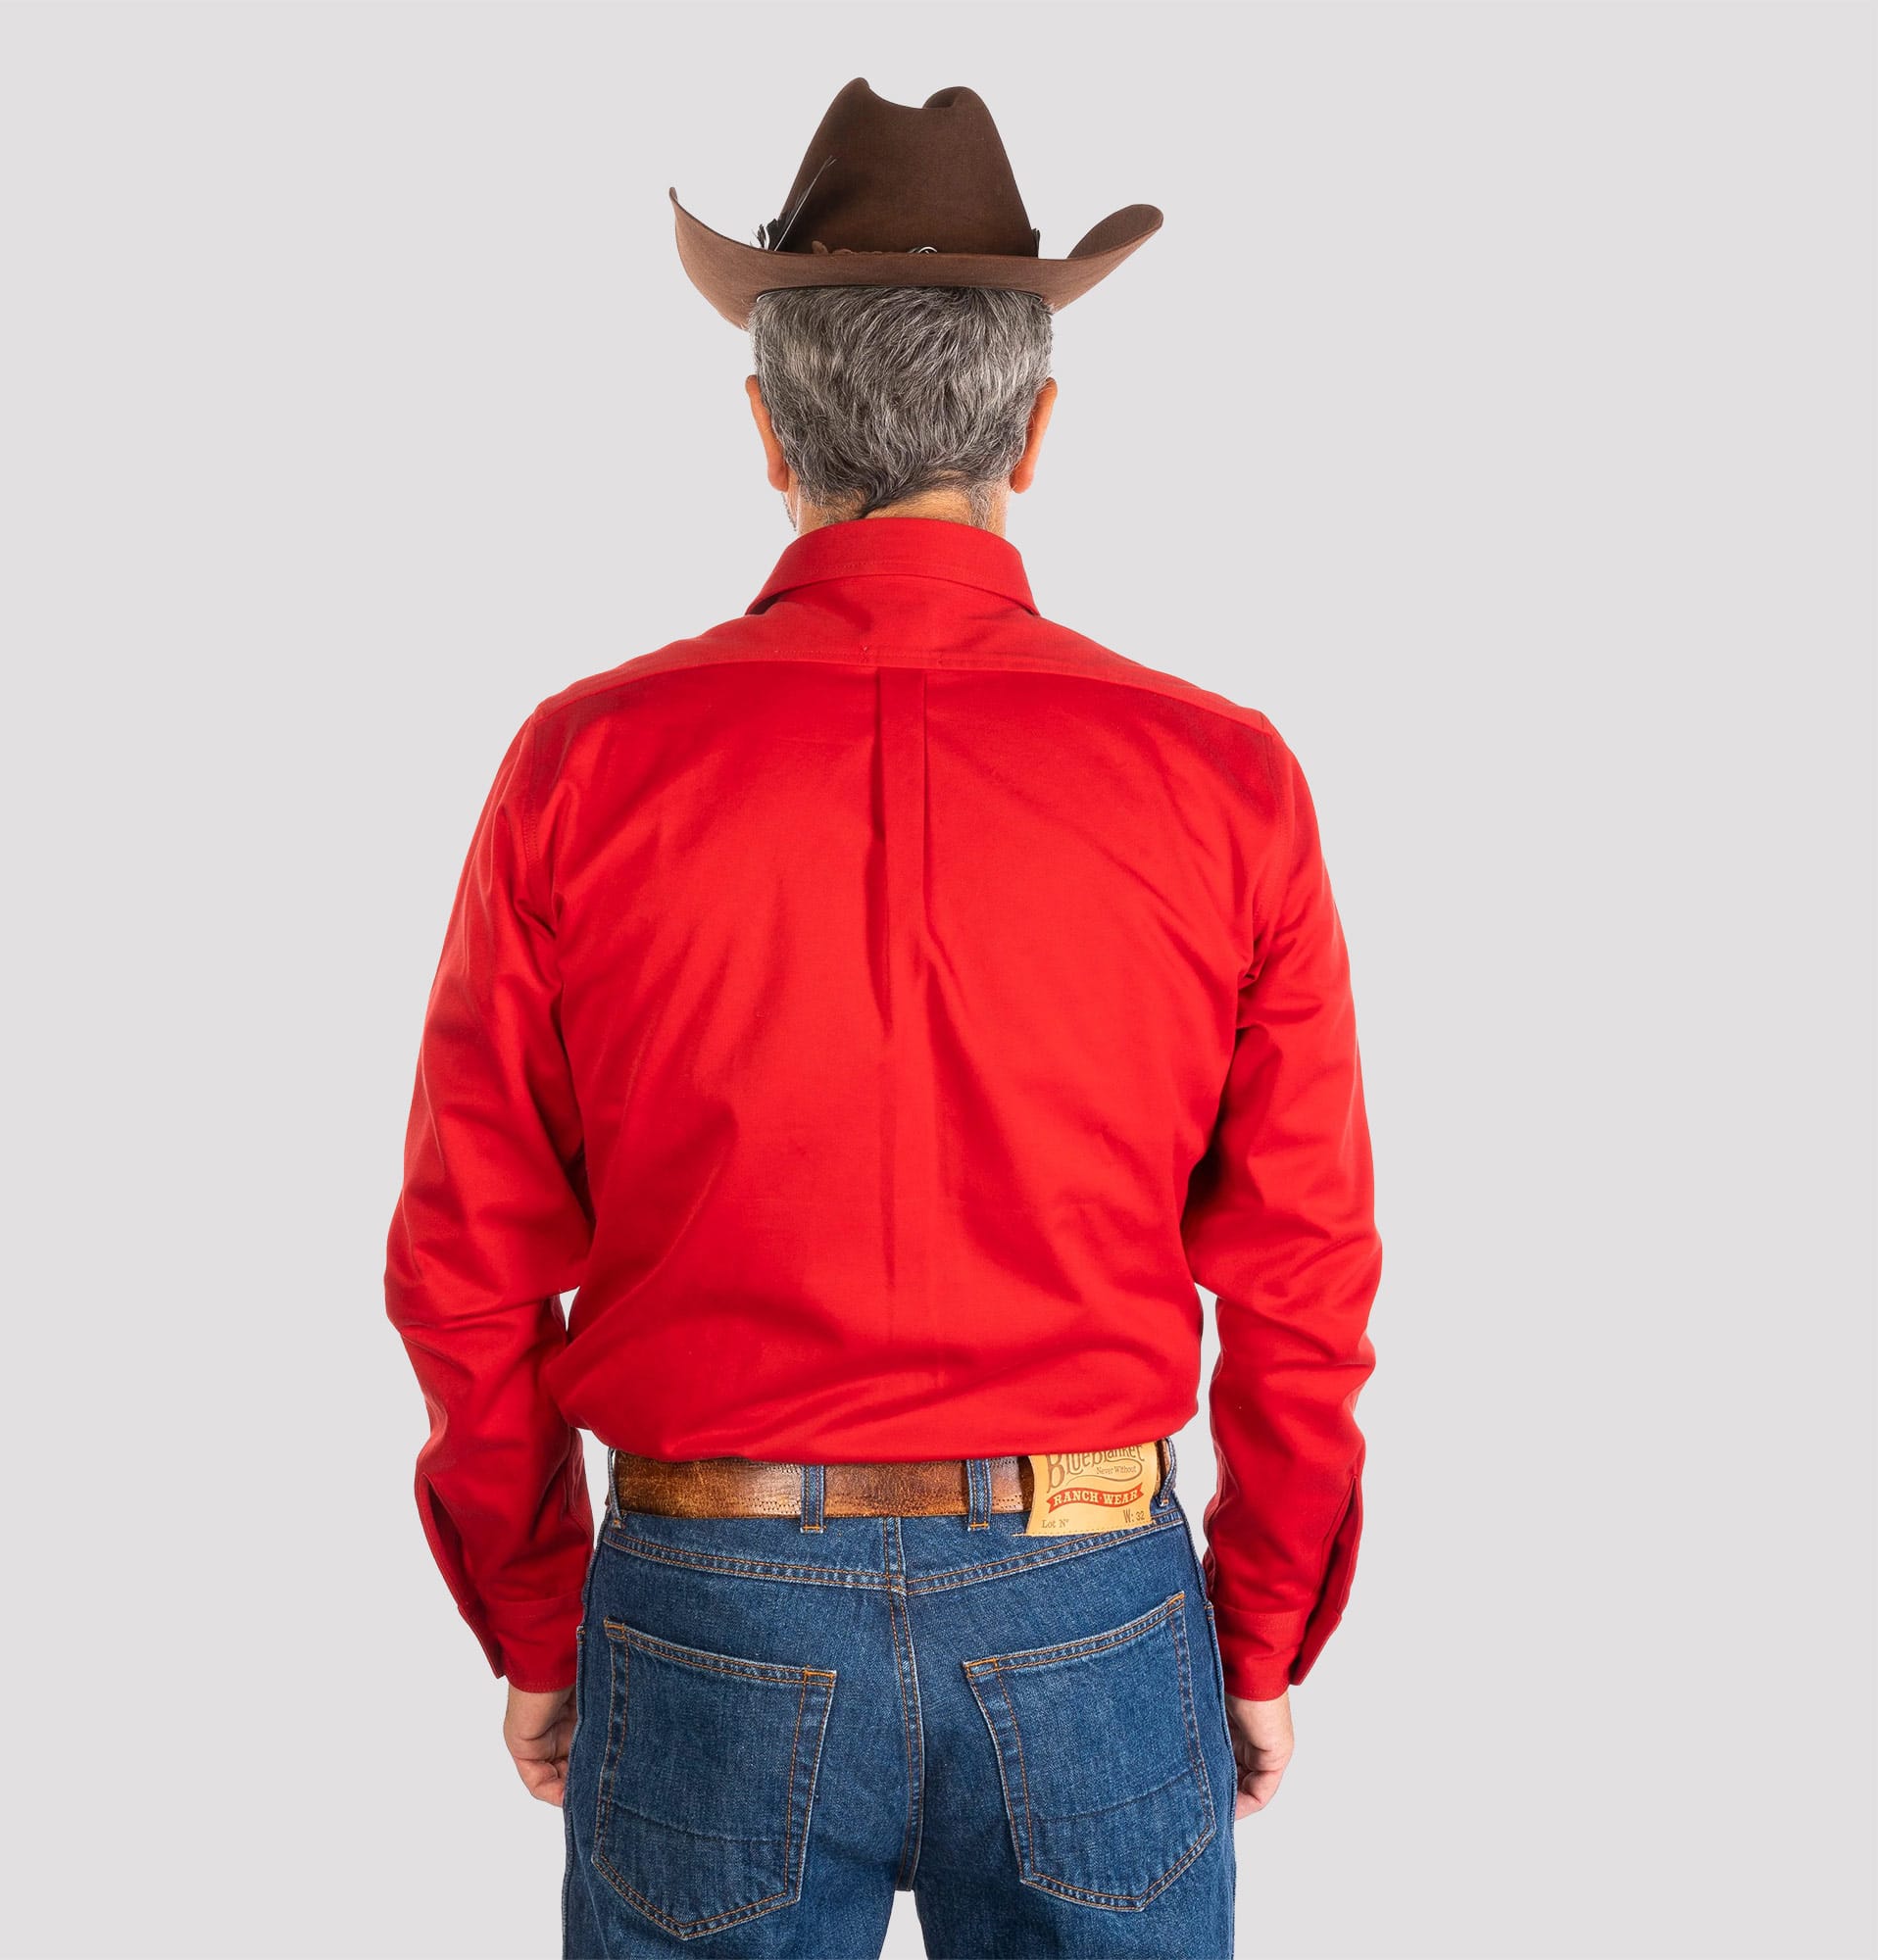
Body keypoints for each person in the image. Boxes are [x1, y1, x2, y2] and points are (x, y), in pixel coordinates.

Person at [384, 76, 1380, 1959]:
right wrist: (1255, 1631)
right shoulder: (1225, 778)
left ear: (769, 434)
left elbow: (463, 1260)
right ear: (1040, 429)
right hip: (1093, 1615)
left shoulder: (585, 766)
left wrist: (536, 1622)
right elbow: (1308, 1270)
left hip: (707, 1603)